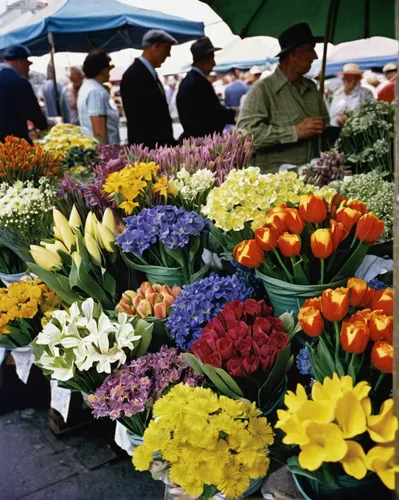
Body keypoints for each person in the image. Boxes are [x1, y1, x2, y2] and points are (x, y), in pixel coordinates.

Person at [237, 23, 328, 173]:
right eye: (309, 49)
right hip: (276, 182)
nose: (315, 56)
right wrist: (295, 132)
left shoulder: (312, 88)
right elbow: (246, 136)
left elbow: (324, 127)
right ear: (292, 55)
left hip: (312, 174)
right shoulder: (262, 90)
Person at [120, 29, 178, 148]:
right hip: (148, 149)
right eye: (167, 50)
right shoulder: (134, 75)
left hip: (156, 147)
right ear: (156, 47)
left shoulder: (147, 72)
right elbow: (140, 120)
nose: (169, 55)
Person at [177, 37, 236, 139]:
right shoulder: (197, 82)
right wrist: (235, 114)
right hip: (202, 141)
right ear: (205, 60)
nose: (214, 63)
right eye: (212, 58)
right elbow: (211, 113)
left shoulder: (191, 80)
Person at [0, 44, 47, 143]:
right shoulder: (20, 82)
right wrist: (43, 126)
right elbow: (34, 113)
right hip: (15, 143)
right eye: (28, 64)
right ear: (20, 62)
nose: (28, 68)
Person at [77, 49, 120, 144]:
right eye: (108, 68)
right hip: (105, 153)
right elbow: (99, 132)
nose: (110, 71)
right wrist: (105, 156)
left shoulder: (88, 86)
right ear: (102, 70)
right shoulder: (96, 91)